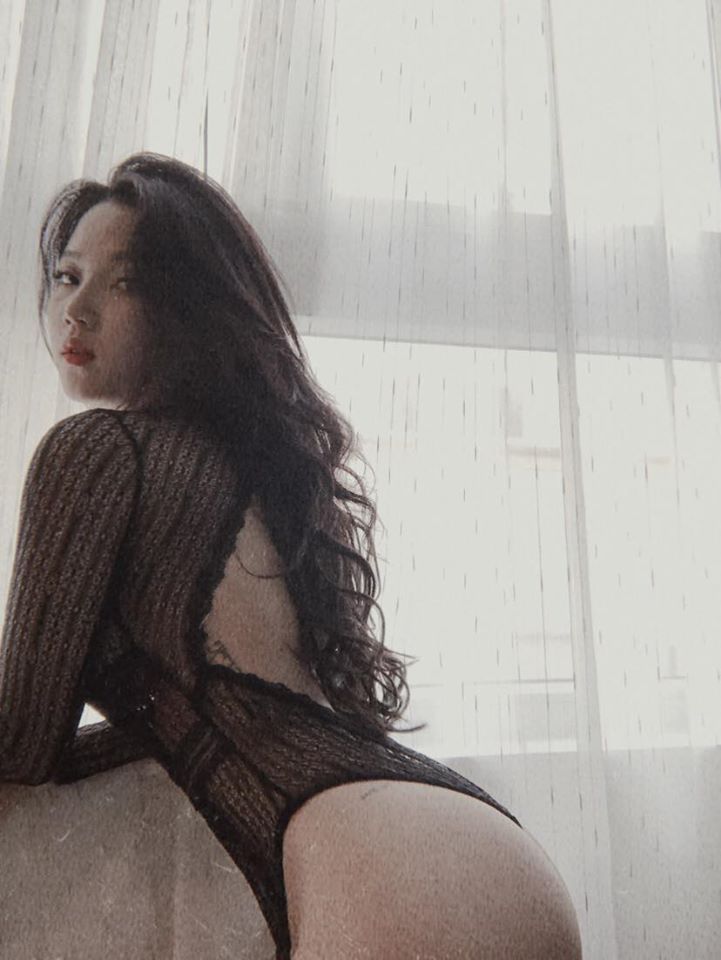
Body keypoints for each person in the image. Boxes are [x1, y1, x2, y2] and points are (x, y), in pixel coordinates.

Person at [0, 152, 582, 959]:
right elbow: (214, 713)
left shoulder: (94, 451)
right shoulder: (267, 470)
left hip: (368, 874)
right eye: (66, 277)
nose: (78, 310)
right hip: (481, 842)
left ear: (188, 307)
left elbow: (24, 745)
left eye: (125, 283)